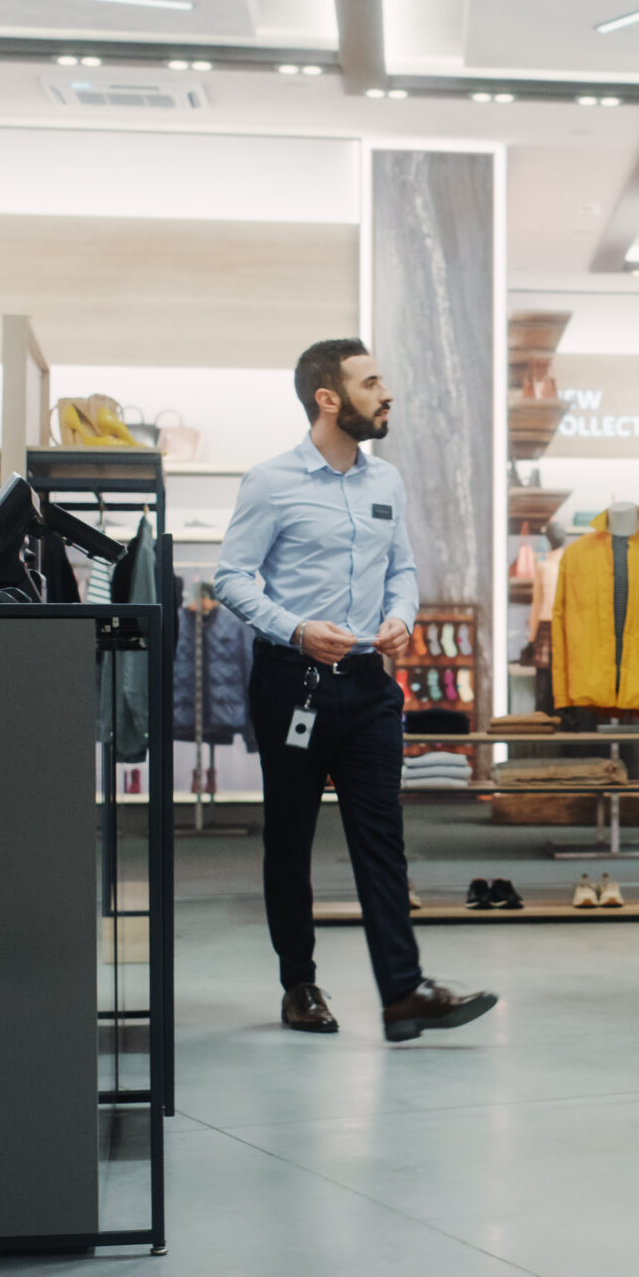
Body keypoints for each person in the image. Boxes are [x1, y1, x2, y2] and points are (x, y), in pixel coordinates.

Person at [214, 338, 497, 1042]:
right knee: (290, 837)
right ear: (328, 398)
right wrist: (296, 629)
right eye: (370, 383)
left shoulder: (386, 482)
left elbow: (402, 568)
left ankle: (403, 993)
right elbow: (232, 579)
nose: (386, 393)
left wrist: (401, 615)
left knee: (382, 837)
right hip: (294, 684)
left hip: (370, 685)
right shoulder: (270, 482)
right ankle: (299, 984)